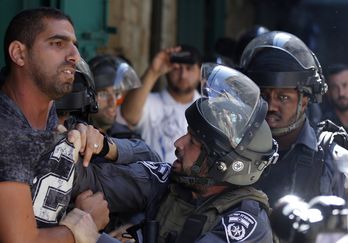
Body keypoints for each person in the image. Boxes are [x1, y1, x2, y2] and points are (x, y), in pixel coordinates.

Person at [0, 7, 170, 243]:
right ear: (19, 54)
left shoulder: (53, 126)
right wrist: (84, 222)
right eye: (57, 43)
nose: (74, 55)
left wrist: (103, 145)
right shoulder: (1, 132)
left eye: (74, 44)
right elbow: (22, 241)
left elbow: (150, 169)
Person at [113, 64, 278, 243]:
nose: (178, 143)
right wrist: (100, 145)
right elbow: (98, 179)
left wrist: (94, 238)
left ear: (220, 166)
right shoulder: (177, 186)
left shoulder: (246, 224)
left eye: (193, 142)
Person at [240, 31, 347, 205]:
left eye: (283, 97)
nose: (271, 106)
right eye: (263, 96)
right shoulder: (234, 149)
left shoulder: (331, 161)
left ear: (304, 101)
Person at [121, 44, 202, 163]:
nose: (183, 75)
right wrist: (154, 71)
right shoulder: (150, 102)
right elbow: (128, 115)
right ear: (167, 71)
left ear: (201, 72)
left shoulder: (207, 108)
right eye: (176, 68)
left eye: (189, 68)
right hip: (154, 179)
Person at [88, 54, 141, 139]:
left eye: (116, 93)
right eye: (103, 94)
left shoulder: (128, 138)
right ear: (87, 96)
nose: (113, 103)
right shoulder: (72, 135)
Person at [321, 64, 348, 138]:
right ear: (328, 92)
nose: (341, 93)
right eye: (334, 87)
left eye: (345, 85)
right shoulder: (324, 127)